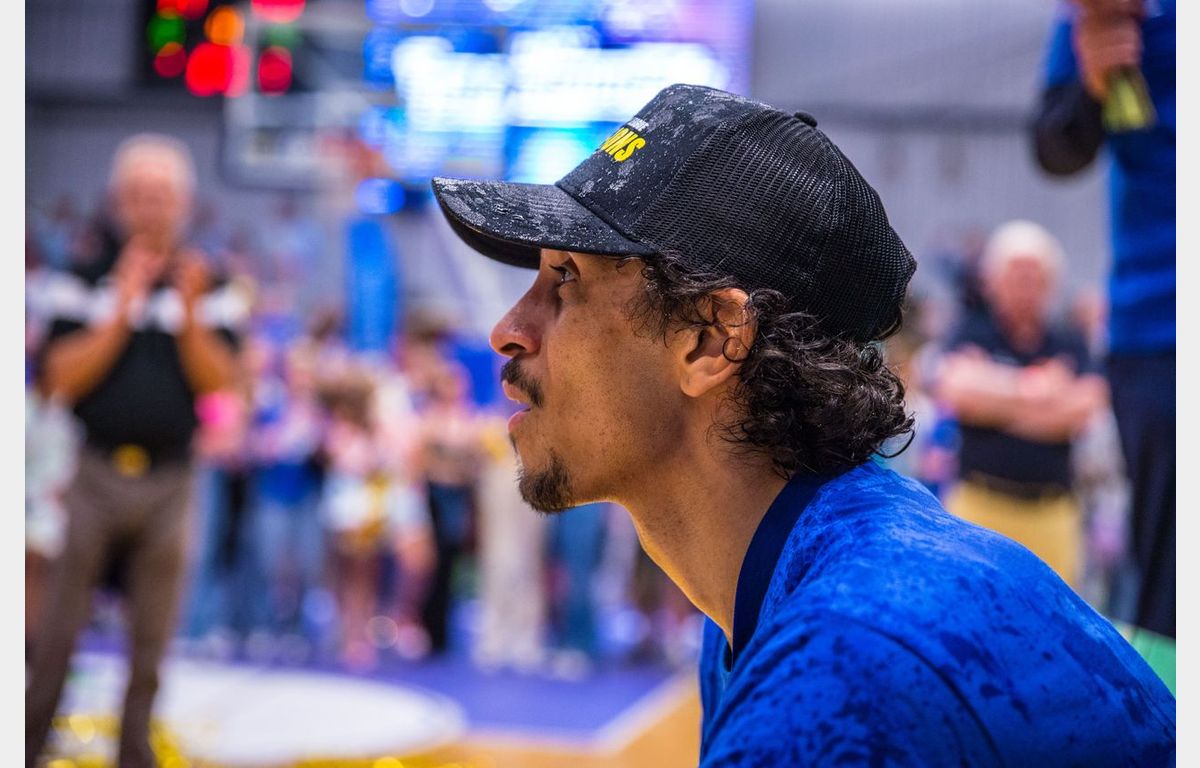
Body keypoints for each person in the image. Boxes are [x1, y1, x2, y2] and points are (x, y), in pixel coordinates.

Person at [429, 83, 1174, 764]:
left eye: (565, 279)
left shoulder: (842, 668)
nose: (507, 330)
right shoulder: (796, 576)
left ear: (711, 340)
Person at [26, 134, 246, 768]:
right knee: (57, 629)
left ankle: (134, 752)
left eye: (162, 196)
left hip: (171, 478)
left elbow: (221, 382)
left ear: (184, 205)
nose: (150, 208)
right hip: (91, 473)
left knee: (152, 637)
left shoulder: (212, 285)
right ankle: (28, 743)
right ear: (117, 202)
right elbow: (58, 379)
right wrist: (120, 307)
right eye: (138, 195)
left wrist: (191, 314)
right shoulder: (80, 276)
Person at [1030, 0, 1174, 637]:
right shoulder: (1106, 15)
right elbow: (1054, 145)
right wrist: (1091, 86)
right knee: (1168, 571)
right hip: (1159, 322)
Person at [934, 221, 1108, 590]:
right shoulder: (971, 331)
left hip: (1051, 512)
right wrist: (1042, 390)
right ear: (993, 281)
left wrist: (993, 399)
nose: (1025, 287)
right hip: (980, 506)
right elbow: (957, 392)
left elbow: (1083, 409)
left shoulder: (1068, 340)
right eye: (1016, 277)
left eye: (1035, 277)